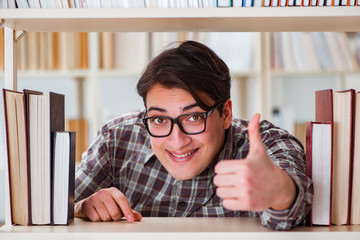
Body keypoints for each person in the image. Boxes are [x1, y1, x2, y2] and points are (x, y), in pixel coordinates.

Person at [74, 40, 313, 231]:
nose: (177, 141)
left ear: (226, 113)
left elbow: (296, 208)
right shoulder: (116, 139)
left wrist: (280, 191)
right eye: (159, 119)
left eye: (193, 117)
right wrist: (82, 207)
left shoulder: (266, 143)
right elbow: (53, 207)